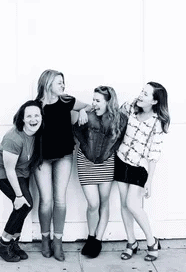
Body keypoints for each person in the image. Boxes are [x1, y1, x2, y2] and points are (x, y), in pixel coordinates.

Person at [32, 69, 91, 262]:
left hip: (64, 155)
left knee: (60, 200)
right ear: (48, 83)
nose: (63, 86)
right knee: (46, 200)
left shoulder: (68, 101)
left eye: (63, 82)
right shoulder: (35, 106)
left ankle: (58, 241)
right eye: (59, 82)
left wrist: (81, 110)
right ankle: (45, 239)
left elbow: (90, 106)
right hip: (42, 158)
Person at [114, 82, 170, 262]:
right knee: (124, 204)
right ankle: (131, 243)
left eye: (146, 94)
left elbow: (154, 154)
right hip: (121, 159)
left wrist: (149, 182)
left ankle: (152, 242)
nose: (141, 95)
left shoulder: (158, 122)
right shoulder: (131, 107)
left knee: (133, 205)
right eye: (142, 91)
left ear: (154, 101)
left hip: (140, 166)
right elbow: (115, 117)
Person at [72, 86, 128, 258]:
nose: (93, 103)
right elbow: (76, 136)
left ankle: (97, 240)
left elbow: (121, 140)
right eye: (93, 99)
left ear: (108, 102)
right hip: (86, 163)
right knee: (93, 204)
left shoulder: (121, 119)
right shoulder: (87, 116)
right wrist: (83, 110)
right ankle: (91, 235)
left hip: (107, 163)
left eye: (98, 100)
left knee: (104, 202)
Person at [0, 100, 44, 262]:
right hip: (2, 171)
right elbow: (9, 169)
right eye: (29, 116)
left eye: (37, 115)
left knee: (24, 206)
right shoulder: (13, 138)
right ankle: (3, 244)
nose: (33, 119)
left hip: (20, 170)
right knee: (24, 204)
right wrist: (18, 196)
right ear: (22, 119)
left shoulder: (38, 133)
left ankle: (13, 243)